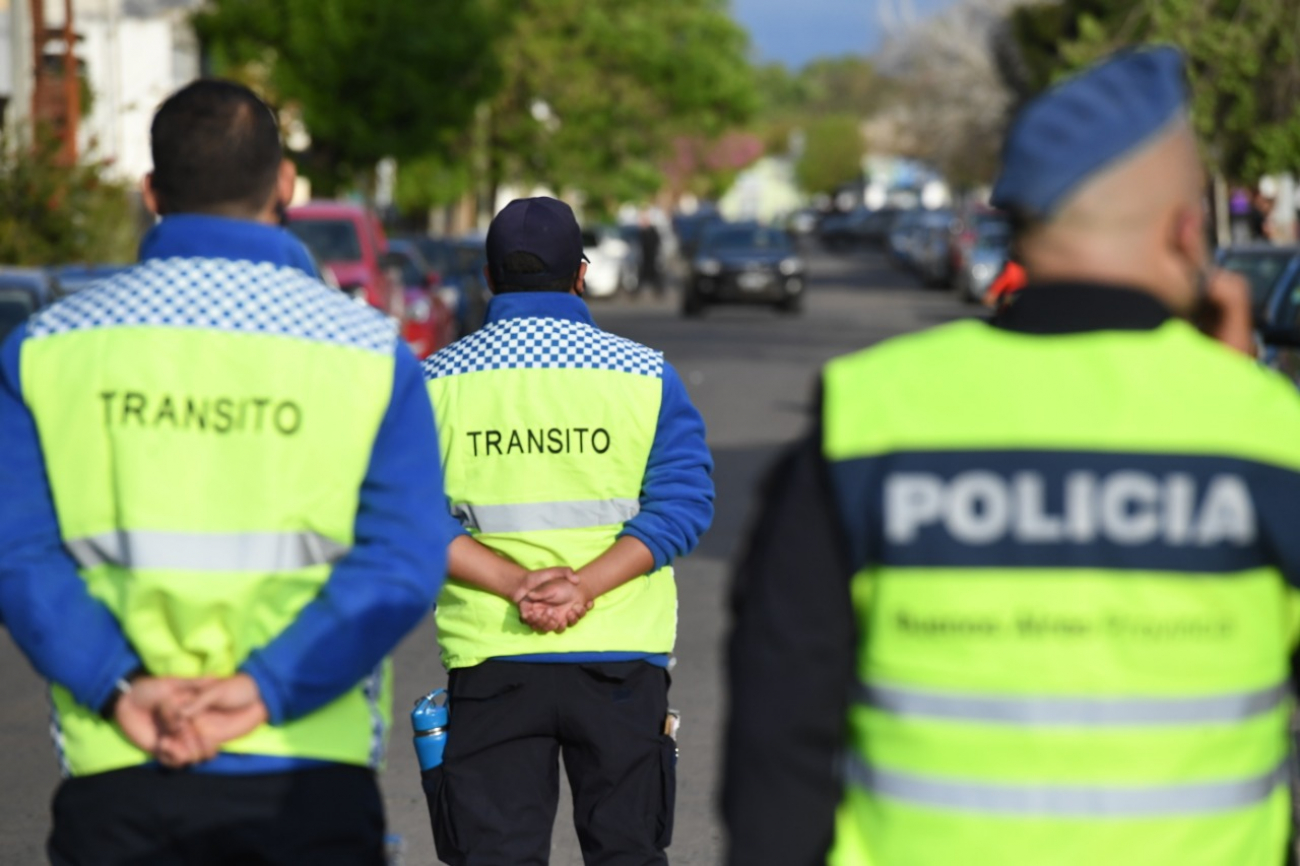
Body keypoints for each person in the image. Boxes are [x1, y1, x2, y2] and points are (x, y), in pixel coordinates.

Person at [722, 46, 1292, 866]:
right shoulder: (1266, 437)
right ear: (1185, 230)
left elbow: (778, 747)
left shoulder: (870, 416)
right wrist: (1232, 402)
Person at [0, 79, 450, 865]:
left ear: (150, 192)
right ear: (284, 185)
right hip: (308, 770)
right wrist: (262, 689)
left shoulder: (46, 348)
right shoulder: (371, 354)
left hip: (121, 763)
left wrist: (119, 687)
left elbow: (18, 555)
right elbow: (403, 563)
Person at [419, 196, 714, 866]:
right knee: (627, 853)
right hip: (619, 657)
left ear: (488, 280)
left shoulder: (431, 384)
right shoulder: (647, 377)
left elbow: (407, 517)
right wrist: (583, 585)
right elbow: (684, 504)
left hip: (490, 657)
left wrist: (517, 582)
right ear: (580, 275)